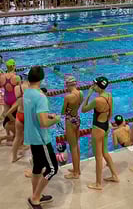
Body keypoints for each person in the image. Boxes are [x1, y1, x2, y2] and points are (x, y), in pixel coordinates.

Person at [23, 66, 59, 209]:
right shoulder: (41, 97)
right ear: (42, 79)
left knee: (37, 167)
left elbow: (34, 113)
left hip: (31, 136)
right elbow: (43, 123)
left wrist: (46, 115)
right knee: (52, 169)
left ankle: (36, 194)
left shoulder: (27, 92)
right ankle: (35, 198)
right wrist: (55, 119)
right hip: (41, 139)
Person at [82, 76, 119, 190]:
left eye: (95, 85)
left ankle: (98, 184)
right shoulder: (109, 96)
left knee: (98, 157)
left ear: (99, 86)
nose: (93, 86)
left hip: (98, 128)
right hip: (106, 126)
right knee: (105, 153)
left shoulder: (97, 100)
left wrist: (88, 94)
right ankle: (114, 175)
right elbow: (111, 113)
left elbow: (83, 109)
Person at [61, 75, 83, 179]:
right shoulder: (81, 93)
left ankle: (75, 173)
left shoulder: (68, 97)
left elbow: (62, 111)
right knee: (76, 145)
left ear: (67, 85)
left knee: (72, 147)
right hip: (77, 119)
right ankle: (77, 169)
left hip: (69, 121)